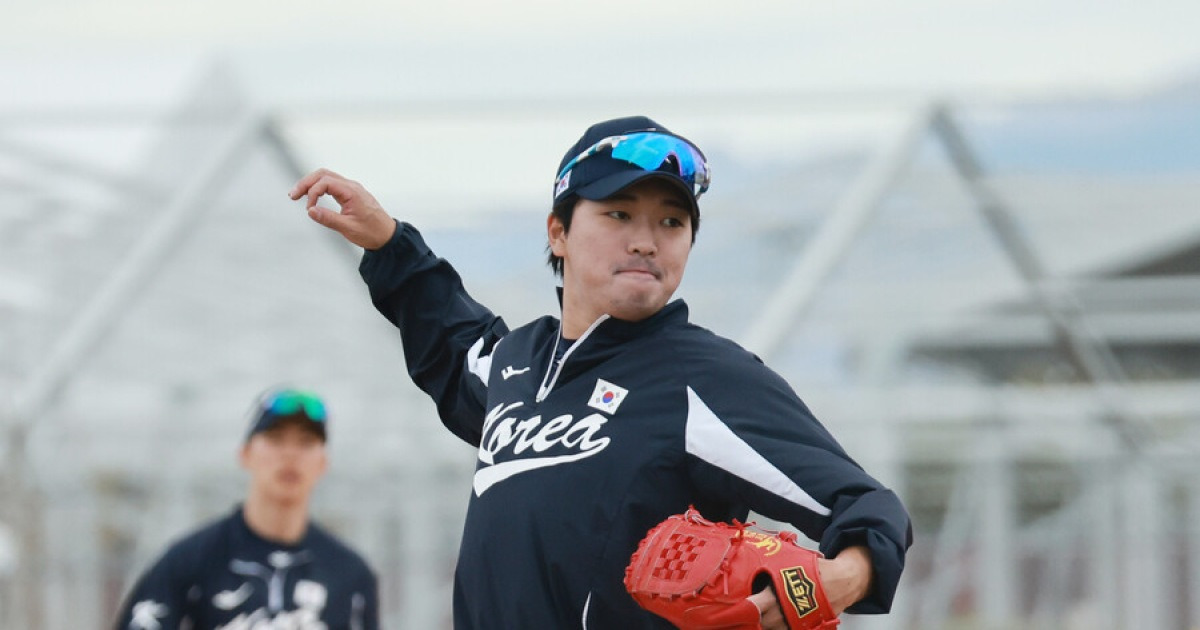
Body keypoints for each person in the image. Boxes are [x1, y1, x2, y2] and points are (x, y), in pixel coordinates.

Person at [290, 115, 912, 629]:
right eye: (619, 214)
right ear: (558, 232)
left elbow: (866, 506)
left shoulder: (705, 379)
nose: (647, 240)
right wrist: (388, 242)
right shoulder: (516, 366)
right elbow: (454, 337)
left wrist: (840, 578)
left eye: (672, 222)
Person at [113, 387, 379, 630]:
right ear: (245, 454)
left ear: (322, 463)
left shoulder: (349, 573)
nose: (290, 454)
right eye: (275, 439)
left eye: (306, 442)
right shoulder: (191, 561)